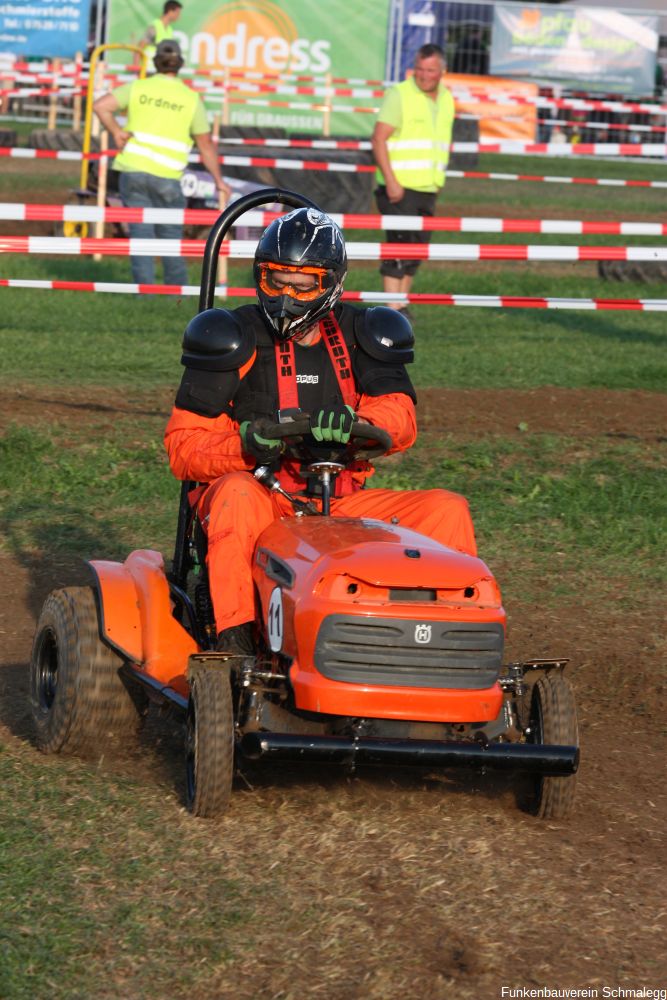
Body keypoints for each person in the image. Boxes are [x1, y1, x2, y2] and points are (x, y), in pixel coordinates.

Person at [164, 207, 478, 654]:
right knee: (235, 494)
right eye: (276, 281)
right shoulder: (231, 336)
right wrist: (245, 445)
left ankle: (451, 645)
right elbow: (183, 449)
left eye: (303, 283)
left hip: (342, 501)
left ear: (330, 284)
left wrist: (360, 425)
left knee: (446, 510)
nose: (287, 295)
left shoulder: (363, 332)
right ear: (259, 276)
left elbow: (400, 417)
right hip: (261, 498)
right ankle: (236, 651)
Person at [93, 40, 232, 287]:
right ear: (180, 65)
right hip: (168, 177)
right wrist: (218, 180)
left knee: (141, 236)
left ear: (155, 62)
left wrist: (116, 131)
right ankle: (175, 292)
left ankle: (145, 293)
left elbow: (101, 106)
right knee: (170, 237)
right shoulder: (190, 99)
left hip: (132, 172)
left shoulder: (138, 87)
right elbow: (205, 144)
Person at [371, 44, 455, 315]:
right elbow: (378, 139)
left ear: (442, 71)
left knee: (416, 249)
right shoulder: (400, 95)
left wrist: (437, 181)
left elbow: (440, 143)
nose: (424, 75)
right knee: (398, 246)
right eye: (419, 68)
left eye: (430, 70)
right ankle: (392, 307)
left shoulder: (447, 99)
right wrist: (392, 182)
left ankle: (402, 303)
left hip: (428, 187)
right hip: (399, 188)